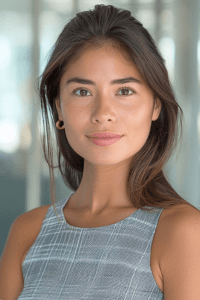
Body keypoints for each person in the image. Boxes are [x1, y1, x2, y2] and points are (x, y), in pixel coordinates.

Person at [0, 4, 200, 300]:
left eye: (124, 91)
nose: (103, 113)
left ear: (156, 104)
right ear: (59, 107)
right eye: (82, 91)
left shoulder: (182, 233)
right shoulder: (26, 232)